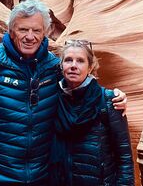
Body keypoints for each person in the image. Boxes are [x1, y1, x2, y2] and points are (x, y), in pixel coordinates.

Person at [0, 0, 127, 185]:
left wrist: (114, 96)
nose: (30, 36)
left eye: (36, 30)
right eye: (23, 29)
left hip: (43, 177)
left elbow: (81, 87)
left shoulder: (54, 68)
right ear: (11, 31)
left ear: (45, 33)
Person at [51, 39, 134, 186]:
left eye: (80, 61)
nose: (73, 66)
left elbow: (124, 157)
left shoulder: (109, 100)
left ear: (90, 68)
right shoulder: (51, 99)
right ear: (61, 65)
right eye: (68, 60)